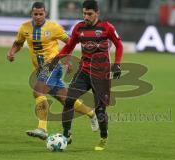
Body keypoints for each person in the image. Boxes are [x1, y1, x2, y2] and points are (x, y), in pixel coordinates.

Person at [6, 1, 98, 140]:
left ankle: (42, 128)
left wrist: (68, 60)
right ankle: (91, 113)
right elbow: (18, 43)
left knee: (38, 91)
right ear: (31, 13)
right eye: (35, 14)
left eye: (40, 14)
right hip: (39, 69)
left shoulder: (54, 27)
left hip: (53, 65)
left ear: (45, 13)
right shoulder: (24, 28)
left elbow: (70, 42)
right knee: (65, 99)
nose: (38, 16)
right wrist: (12, 52)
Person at [49, 0, 123, 150]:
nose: (86, 16)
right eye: (84, 13)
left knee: (100, 111)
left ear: (97, 13)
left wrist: (117, 64)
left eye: (89, 14)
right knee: (69, 100)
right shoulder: (78, 28)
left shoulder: (107, 28)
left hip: (101, 75)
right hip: (83, 72)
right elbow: (69, 46)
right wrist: (57, 58)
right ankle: (66, 134)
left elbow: (119, 45)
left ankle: (103, 136)